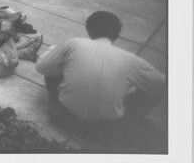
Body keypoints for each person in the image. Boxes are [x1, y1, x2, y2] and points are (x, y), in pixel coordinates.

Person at [36, 11, 165, 140]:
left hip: (62, 118)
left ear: (89, 30)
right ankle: (129, 121)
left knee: (54, 62)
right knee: (155, 91)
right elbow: (162, 84)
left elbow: (42, 67)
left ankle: (66, 103)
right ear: (116, 35)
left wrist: (53, 52)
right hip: (104, 131)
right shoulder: (131, 61)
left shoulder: (74, 43)